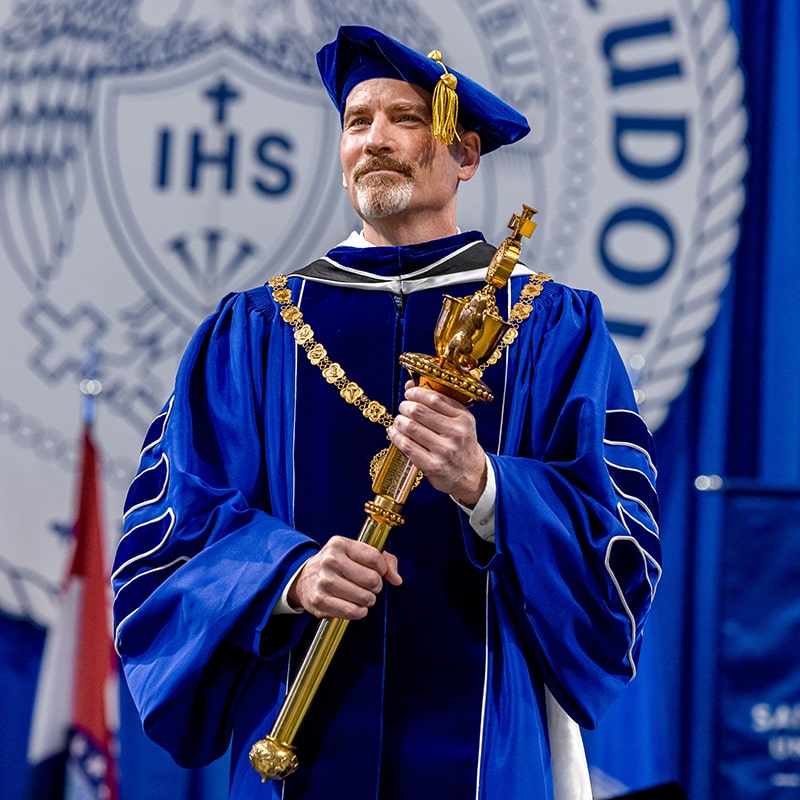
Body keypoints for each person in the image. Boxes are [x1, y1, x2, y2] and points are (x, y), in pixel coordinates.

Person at [112, 24, 661, 800]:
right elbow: (171, 533)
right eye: (356, 122)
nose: (375, 140)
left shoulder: (551, 325)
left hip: (481, 742)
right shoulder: (254, 330)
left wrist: (488, 487)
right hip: (293, 735)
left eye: (406, 118)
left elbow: (620, 540)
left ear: (467, 155)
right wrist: (286, 573)